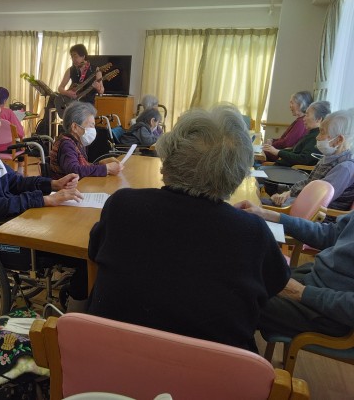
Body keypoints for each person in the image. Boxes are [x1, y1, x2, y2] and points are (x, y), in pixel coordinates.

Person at [86, 105, 290, 352]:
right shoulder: (252, 232)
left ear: (166, 160)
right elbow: (274, 284)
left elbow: (94, 252)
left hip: (111, 358)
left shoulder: (122, 205)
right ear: (236, 176)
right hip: (211, 369)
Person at [0, 86, 87, 306]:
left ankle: (79, 296)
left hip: (9, 219)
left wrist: (52, 184)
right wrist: (44, 200)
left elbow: (15, 181)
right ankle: (78, 300)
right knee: (75, 249)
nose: (0, 123)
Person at [235, 201, 354, 340]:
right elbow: (330, 234)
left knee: (236, 299)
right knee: (238, 275)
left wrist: (301, 292)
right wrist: (270, 215)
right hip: (313, 281)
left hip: (330, 313)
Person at [268, 109, 354, 211]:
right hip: (301, 207)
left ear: (339, 140)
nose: (317, 137)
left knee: (256, 209)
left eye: (322, 132)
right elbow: (309, 183)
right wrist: (288, 193)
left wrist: (285, 201)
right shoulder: (328, 158)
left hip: (315, 217)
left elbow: (315, 201)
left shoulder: (344, 168)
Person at [49, 101, 123, 180]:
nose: (93, 130)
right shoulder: (66, 145)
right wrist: (106, 169)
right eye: (91, 126)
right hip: (68, 187)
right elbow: (74, 171)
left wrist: (100, 164)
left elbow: (83, 168)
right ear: (74, 127)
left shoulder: (77, 142)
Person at [263, 100, 331, 167]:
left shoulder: (317, 136)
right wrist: (275, 150)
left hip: (291, 171)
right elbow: (295, 151)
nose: (304, 118)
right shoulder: (311, 133)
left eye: (307, 115)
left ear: (318, 119)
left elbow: (303, 159)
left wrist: (277, 152)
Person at [264, 91, 313, 162]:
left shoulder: (301, 122)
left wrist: (271, 145)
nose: (290, 106)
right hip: (283, 152)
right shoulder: (300, 120)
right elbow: (285, 139)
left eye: (292, 103)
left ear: (301, 105)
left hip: (284, 155)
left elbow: (287, 143)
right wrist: (273, 140)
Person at [0, 86, 25, 152]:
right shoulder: (8, 113)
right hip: (8, 148)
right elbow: (20, 133)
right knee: (24, 146)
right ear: (4, 100)